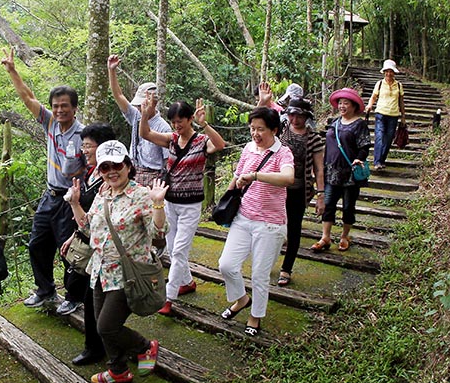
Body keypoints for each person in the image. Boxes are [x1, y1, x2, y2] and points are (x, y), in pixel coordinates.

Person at [68, 141, 167, 383]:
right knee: (103, 325)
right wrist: (74, 203)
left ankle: (144, 347)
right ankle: (118, 370)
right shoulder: (103, 192)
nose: (112, 171)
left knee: (106, 327)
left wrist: (158, 204)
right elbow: (88, 227)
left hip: (127, 273)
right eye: (105, 167)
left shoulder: (141, 195)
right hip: (100, 270)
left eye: (117, 165)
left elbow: (159, 232)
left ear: (128, 165)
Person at [1, 47, 85, 315]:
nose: (59, 110)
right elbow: (27, 97)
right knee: (37, 243)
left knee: (70, 251)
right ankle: (45, 289)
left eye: (65, 106)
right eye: (56, 106)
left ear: (74, 108)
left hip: (71, 200)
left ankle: (75, 295)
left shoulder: (83, 134)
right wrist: (13, 71)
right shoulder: (49, 123)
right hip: (50, 195)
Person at [137, 93, 226, 315]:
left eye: (181, 121)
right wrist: (145, 116)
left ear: (189, 120)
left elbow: (220, 144)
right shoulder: (171, 139)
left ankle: (168, 297)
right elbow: (145, 133)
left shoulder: (201, 141)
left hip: (191, 206)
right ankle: (186, 282)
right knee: (174, 249)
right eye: (174, 122)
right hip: (169, 203)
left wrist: (204, 124)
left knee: (178, 251)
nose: (177, 125)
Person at [216, 108, 295, 335]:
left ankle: (255, 316)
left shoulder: (283, 153)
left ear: (274, 130)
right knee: (227, 265)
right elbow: (237, 176)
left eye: (260, 129)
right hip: (243, 217)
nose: (255, 134)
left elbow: (288, 178)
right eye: (252, 128)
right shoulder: (249, 149)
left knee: (260, 274)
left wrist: (256, 176)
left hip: (270, 224)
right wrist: (225, 202)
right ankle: (242, 299)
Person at [60, 123, 114, 365]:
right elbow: (86, 219)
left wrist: (74, 203)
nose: (84, 151)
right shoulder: (89, 173)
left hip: (102, 248)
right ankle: (99, 343)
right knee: (87, 294)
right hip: (88, 242)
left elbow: (93, 221)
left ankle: (98, 347)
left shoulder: (107, 180)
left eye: (89, 146)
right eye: (83, 146)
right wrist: (74, 236)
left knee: (94, 298)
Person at [311, 88, 371, 253]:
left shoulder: (359, 125)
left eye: (346, 103)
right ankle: (325, 237)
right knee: (328, 204)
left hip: (349, 174)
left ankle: (345, 236)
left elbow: (364, 146)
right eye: (340, 103)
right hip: (331, 172)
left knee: (348, 207)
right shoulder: (335, 123)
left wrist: (359, 158)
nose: (342, 106)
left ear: (353, 106)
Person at [277, 99, 326, 286]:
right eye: (291, 114)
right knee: (273, 226)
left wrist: (321, 195)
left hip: (298, 191)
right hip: (277, 189)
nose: (295, 119)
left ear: (307, 117)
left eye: (299, 115)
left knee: (294, 229)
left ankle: (286, 269)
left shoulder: (313, 138)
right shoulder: (281, 131)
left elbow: (319, 169)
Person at [105, 54, 171, 187]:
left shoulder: (163, 128)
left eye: (145, 104)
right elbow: (119, 96)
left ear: (154, 103)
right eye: (140, 104)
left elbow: (167, 161)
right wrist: (112, 71)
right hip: (133, 171)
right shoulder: (136, 116)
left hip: (153, 176)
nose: (142, 107)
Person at [364, 59, 406, 170]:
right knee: (379, 136)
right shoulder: (379, 84)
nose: (389, 73)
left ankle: (382, 160)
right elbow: (373, 97)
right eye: (387, 71)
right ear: (384, 72)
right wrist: (369, 105)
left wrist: (403, 116)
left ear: (394, 72)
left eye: (391, 71)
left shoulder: (399, 85)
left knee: (388, 139)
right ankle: (377, 161)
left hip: (393, 115)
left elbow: (401, 101)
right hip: (380, 114)